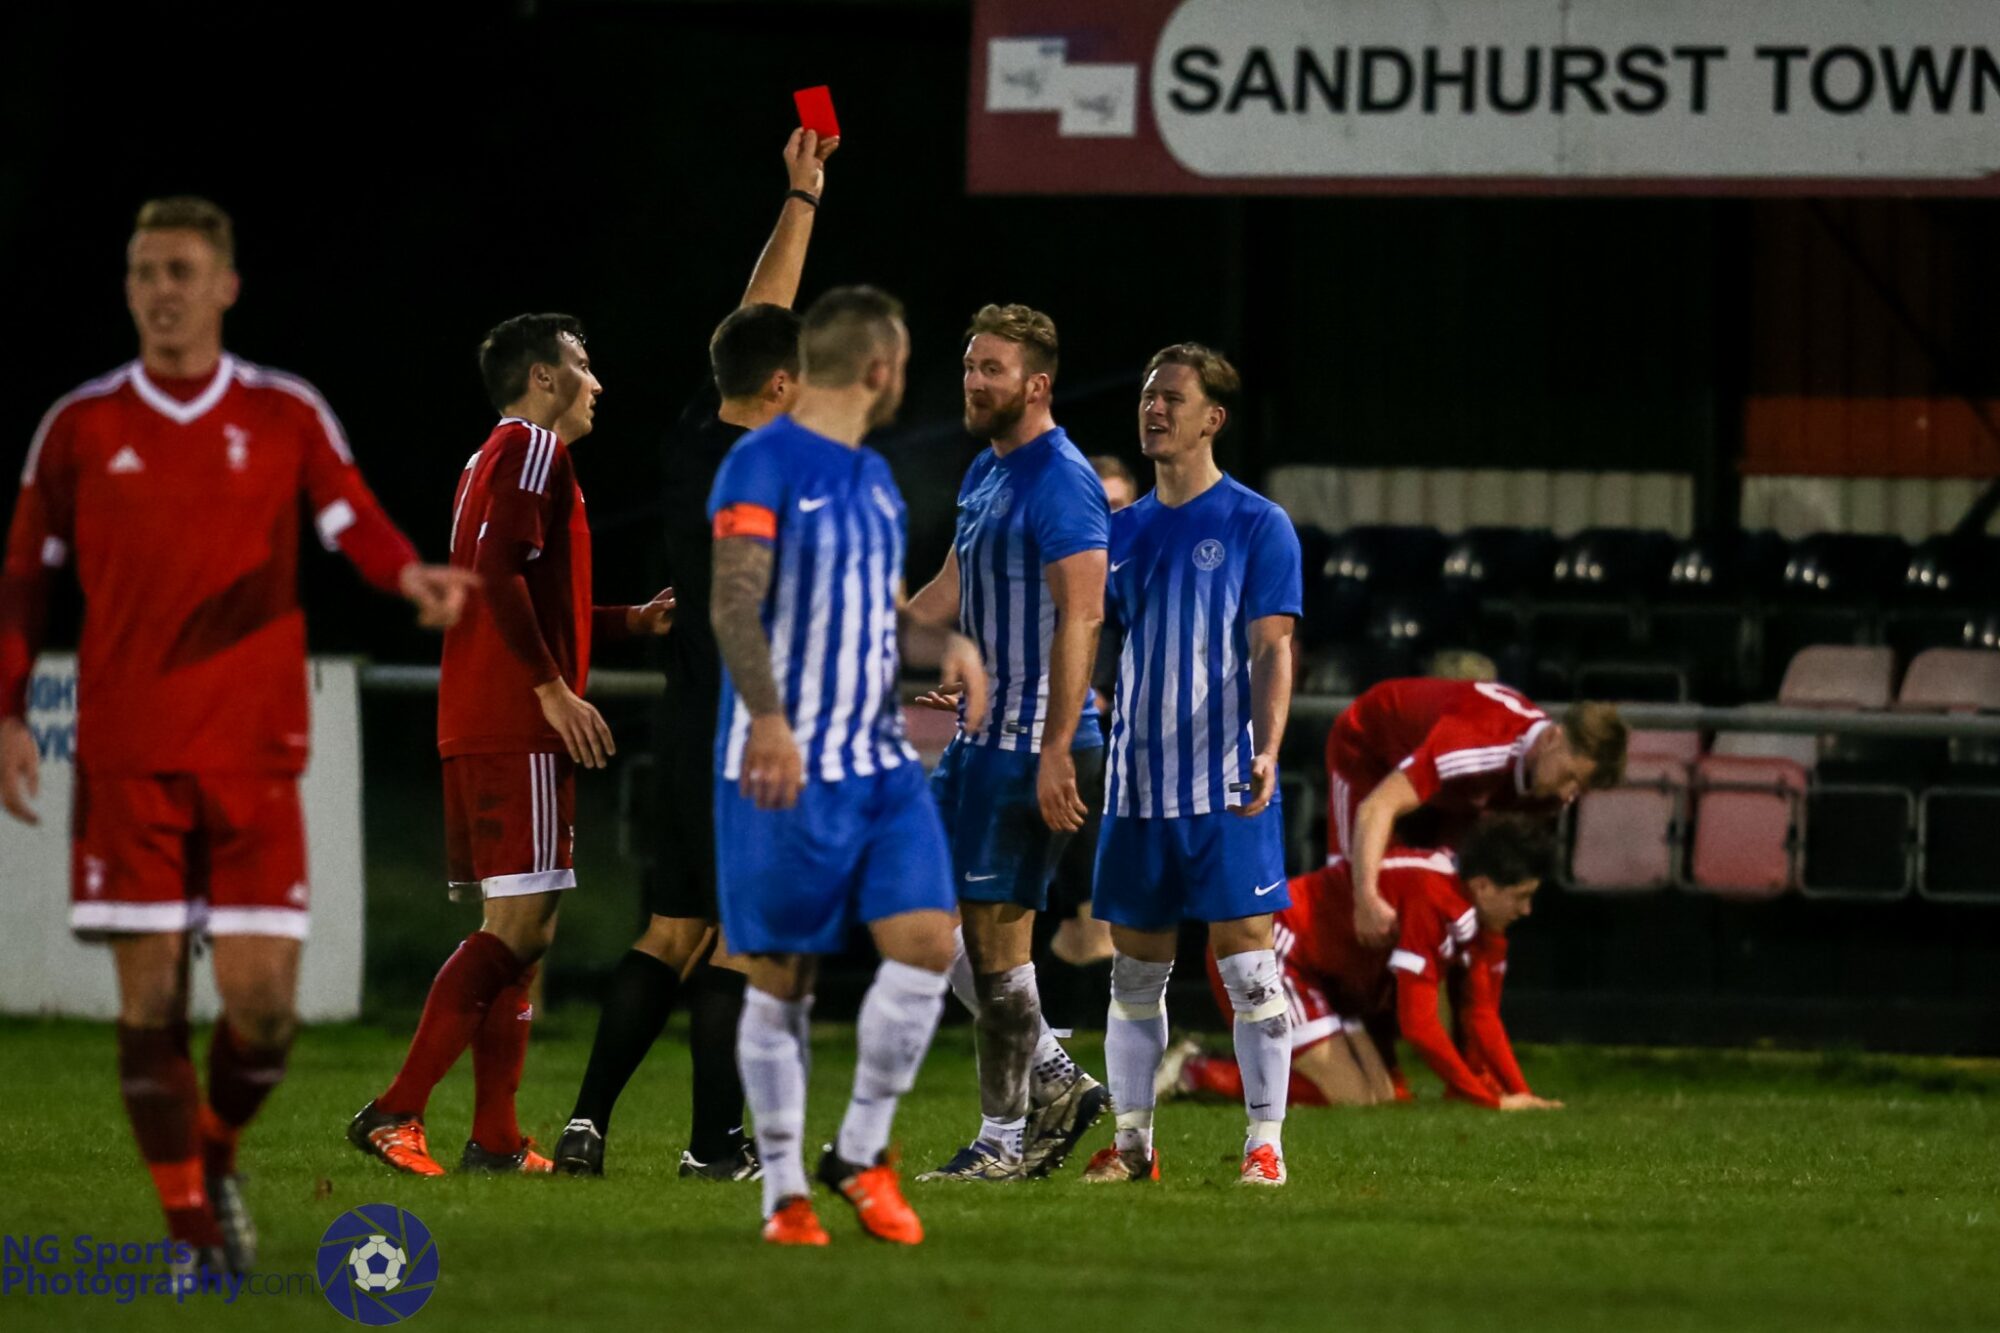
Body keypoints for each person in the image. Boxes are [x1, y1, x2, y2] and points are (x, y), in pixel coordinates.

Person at [0, 197, 473, 1276]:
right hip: (127, 758)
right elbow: (27, 576)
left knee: (263, 1015)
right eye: (143, 271)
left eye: (181, 270)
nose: (162, 290)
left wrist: (405, 574)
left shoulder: (280, 413)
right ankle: (191, 1232)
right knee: (153, 1000)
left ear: (225, 287)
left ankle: (211, 1157)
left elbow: (346, 513)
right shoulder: (80, 425)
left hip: (257, 754)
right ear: (126, 289)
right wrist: (10, 713)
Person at [555, 127, 838, 1182]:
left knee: (669, 927)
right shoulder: (777, 469)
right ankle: (714, 1143)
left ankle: (584, 1124)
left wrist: (800, 200)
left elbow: (751, 323)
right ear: (777, 390)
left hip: (682, 717)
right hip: (748, 726)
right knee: (741, 941)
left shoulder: (691, 436)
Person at [348, 314, 673, 1176]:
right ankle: (395, 1109)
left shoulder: (493, 457)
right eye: (582, 363)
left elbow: (523, 589)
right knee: (521, 929)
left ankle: (495, 1136)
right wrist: (552, 690)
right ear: (541, 377)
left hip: (485, 714)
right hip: (514, 719)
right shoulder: (533, 445)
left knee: (522, 929)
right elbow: (495, 572)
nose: (596, 382)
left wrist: (631, 621)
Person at [707, 285, 986, 1245]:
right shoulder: (762, 460)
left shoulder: (871, 478)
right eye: (907, 361)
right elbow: (733, 604)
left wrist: (937, 643)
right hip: (782, 762)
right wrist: (770, 722)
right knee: (783, 975)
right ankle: (782, 1187)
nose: (909, 377)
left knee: (925, 941)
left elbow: (870, 609)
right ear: (879, 367)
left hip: (876, 759)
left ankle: (860, 1151)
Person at [1079, 343, 1303, 1188]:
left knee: (1248, 971)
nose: (1154, 408)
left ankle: (1264, 1143)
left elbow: (1274, 647)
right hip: (1138, 787)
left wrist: (1270, 747)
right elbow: (1095, 641)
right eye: (1147, 395)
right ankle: (1133, 1144)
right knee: (1135, 975)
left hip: (1226, 784)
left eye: (1172, 396)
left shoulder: (1255, 522)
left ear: (1213, 417)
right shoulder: (1120, 531)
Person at [904, 304, 1111, 1182]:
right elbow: (950, 590)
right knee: (924, 920)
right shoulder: (988, 472)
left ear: (1038, 384)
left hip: (1032, 742)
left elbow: (1084, 613)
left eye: (993, 368)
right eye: (969, 365)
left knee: (998, 946)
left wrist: (1060, 744)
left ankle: (1002, 1141)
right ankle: (1057, 1078)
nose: (974, 381)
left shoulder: (1061, 478)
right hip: (981, 735)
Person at [1162, 814, 1563, 1111]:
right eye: (1521, 896)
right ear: (1484, 886)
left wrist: (1521, 1092)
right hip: (1277, 951)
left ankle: (1245, 1065)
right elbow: (1419, 1025)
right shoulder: (1436, 896)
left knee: (1385, 1098)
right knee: (1352, 1097)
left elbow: (1480, 1014)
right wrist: (1489, 1101)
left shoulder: (1465, 903)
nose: (1526, 909)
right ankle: (1197, 1070)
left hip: (1321, 974)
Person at [1330, 677, 1625, 945]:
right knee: (1355, 899)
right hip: (1370, 751)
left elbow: (1491, 874)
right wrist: (1365, 897)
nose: (1566, 793)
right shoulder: (1480, 744)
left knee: (1447, 905)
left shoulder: (1552, 786)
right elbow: (1378, 806)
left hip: (1452, 795)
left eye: (1579, 787)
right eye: (1568, 776)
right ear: (1552, 738)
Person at [1046, 456, 1141, 973]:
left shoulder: (1142, 565)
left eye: (1117, 506)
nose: (1106, 519)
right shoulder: (1057, 564)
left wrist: (1102, 691)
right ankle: (1077, 933)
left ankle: (1087, 935)